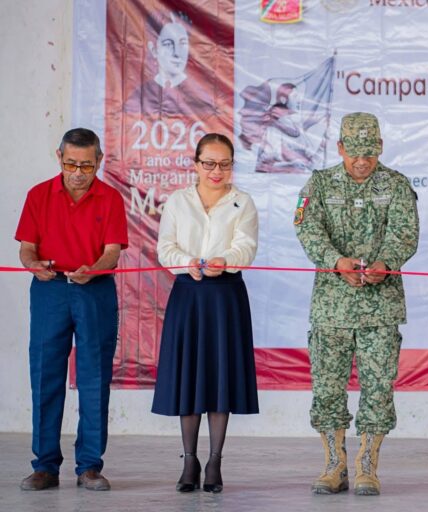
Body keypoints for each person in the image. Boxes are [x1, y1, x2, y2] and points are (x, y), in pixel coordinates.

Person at [294, 112, 419, 496]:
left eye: (369, 153)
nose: (361, 161)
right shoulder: (319, 183)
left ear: (379, 147)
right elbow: (306, 226)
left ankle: (367, 465)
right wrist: (335, 261)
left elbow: (406, 234)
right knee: (327, 387)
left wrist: (387, 263)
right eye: (354, 153)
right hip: (332, 308)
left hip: (379, 308)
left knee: (378, 387)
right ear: (340, 148)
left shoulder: (396, 185)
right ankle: (334, 464)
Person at [15, 128, 128, 491]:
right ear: (59, 157)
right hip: (50, 291)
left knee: (94, 378)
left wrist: (94, 268)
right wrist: (34, 265)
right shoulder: (38, 195)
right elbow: (26, 249)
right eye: (70, 164)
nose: (78, 172)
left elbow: (112, 252)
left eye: (86, 165)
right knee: (46, 375)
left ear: (99, 161)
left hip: (94, 291)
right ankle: (45, 466)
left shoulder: (110, 199)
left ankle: (90, 467)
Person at [151, 133, 259, 493]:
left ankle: (214, 461)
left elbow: (246, 246)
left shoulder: (242, 202)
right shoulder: (178, 202)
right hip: (188, 295)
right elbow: (166, 248)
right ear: (195, 164)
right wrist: (187, 263)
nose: (217, 171)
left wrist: (224, 261)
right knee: (189, 376)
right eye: (209, 163)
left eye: (225, 164)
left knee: (219, 376)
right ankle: (189, 460)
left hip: (225, 296)